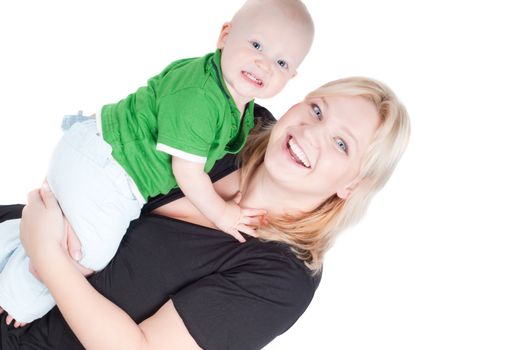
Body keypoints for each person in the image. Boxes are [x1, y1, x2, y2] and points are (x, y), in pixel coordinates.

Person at [0, 77, 410, 349]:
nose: (311, 133)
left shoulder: (282, 278)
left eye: (342, 144)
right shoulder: (236, 127)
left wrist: (48, 255)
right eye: (317, 110)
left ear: (352, 185)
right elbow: (119, 139)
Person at [0, 0, 314, 325]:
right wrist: (222, 214)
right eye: (256, 44)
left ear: (291, 77)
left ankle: (11, 240)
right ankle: (19, 295)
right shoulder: (203, 98)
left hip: (102, 151)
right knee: (86, 254)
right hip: (110, 169)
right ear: (225, 35)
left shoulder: (233, 100)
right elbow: (186, 171)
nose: (264, 64)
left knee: (64, 229)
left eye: (280, 61)